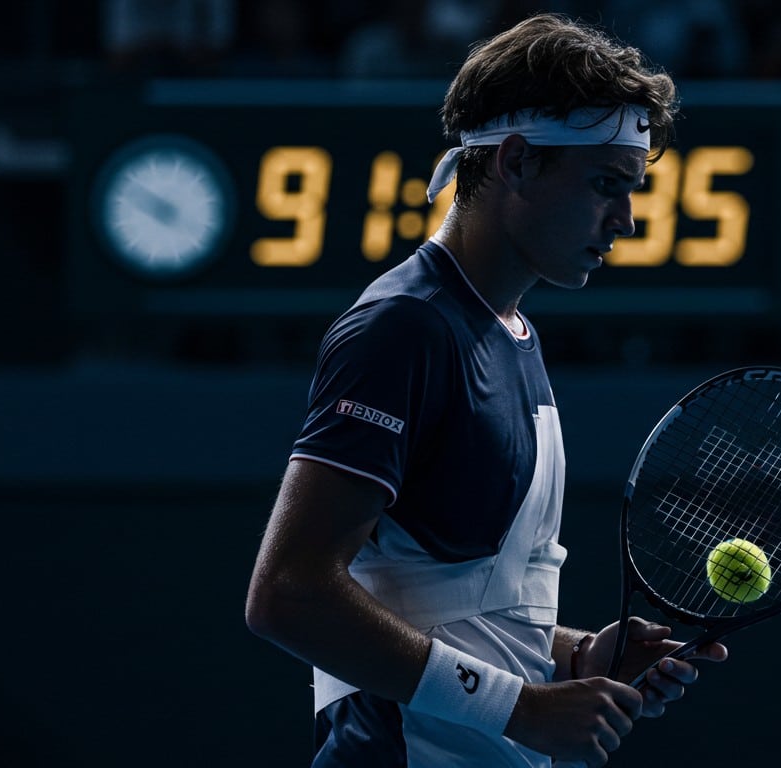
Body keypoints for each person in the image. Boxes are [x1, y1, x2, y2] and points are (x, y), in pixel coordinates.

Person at [245, 13, 728, 768]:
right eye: (606, 185)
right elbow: (287, 593)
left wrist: (571, 660)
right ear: (517, 162)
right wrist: (523, 706)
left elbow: (454, 603)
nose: (626, 220)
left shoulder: (511, 335)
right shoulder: (403, 328)